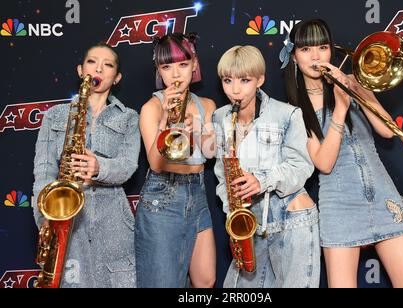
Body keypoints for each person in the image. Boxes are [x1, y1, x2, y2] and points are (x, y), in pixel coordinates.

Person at [280, 19, 403, 288]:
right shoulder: (294, 109)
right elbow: (323, 163)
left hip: (384, 197)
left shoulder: (353, 82)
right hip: (340, 207)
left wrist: (355, 88)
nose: (315, 56)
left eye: (322, 47)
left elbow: (386, 130)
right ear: (294, 56)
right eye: (306, 49)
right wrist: (340, 108)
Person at [32, 42, 140, 288]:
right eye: (92, 62)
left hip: (113, 221)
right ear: (81, 70)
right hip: (66, 221)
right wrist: (45, 219)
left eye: (108, 64)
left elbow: (128, 165)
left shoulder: (129, 117)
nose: (98, 69)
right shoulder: (54, 116)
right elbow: (44, 170)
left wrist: (99, 167)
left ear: (117, 77)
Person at [213, 45, 320, 288]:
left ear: (260, 79)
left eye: (245, 80)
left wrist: (261, 180)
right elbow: (222, 174)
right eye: (227, 80)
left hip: (292, 220)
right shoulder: (219, 118)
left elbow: (301, 166)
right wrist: (233, 209)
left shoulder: (287, 114)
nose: (235, 90)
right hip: (249, 224)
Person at [135, 33, 216, 288]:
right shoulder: (152, 108)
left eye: (183, 64)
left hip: (197, 192)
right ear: (159, 71)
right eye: (166, 66)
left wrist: (198, 128)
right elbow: (156, 163)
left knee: (206, 280)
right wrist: (165, 123)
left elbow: (211, 152)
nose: (176, 74)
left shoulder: (207, 104)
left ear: (194, 65)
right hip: (163, 196)